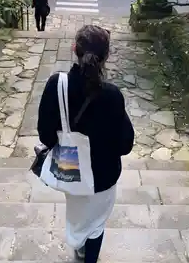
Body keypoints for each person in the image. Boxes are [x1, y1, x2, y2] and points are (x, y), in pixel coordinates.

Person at [37, 25, 134, 263]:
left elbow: (45, 134)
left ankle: (78, 243)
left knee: (78, 212)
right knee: (97, 222)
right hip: (104, 175)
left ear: (74, 49)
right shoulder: (112, 95)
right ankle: (88, 256)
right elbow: (125, 144)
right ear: (106, 56)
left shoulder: (56, 85)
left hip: (71, 171)